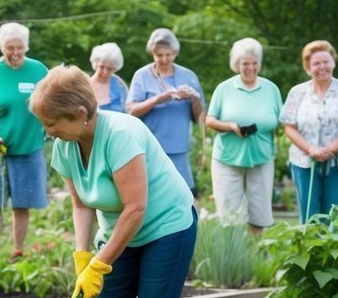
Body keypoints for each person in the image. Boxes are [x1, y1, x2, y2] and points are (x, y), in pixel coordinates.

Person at [32, 65, 198, 298]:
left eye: (52, 123)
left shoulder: (121, 135)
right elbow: (82, 205)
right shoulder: (64, 146)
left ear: (80, 113)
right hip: (118, 232)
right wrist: (83, 257)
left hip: (166, 228)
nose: (48, 130)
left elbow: (136, 208)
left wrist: (100, 264)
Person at [0, 22, 50, 256]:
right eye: (9, 48)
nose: (15, 53)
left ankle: (18, 251)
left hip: (29, 148)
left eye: (20, 48)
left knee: (22, 204)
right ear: (1, 46)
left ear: (27, 46)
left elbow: (52, 102)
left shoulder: (39, 71)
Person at [203, 38, 283, 234]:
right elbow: (209, 120)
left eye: (254, 63)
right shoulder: (224, 88)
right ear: (236, 64)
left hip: (262, 158)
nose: (250, 68)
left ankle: (255, 257)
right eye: (245, 63)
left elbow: (281, 121)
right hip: (228, 158)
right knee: (230, 216)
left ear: (259, 64)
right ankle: (234, 258)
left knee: (259, 214)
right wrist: (230, 126)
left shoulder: (271, 89)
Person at [281, 40, 338, 222]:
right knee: (309, 215)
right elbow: (289, 126)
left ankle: (333, 250)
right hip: (304, 161)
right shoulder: (297, 92)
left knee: (334, 215)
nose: (322, 67)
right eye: (316, 63)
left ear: (333, 62)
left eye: (326, 62)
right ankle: (310, 250)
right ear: (308, 67)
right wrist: (311, 149)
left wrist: (331, 149)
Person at [128, 28, 205, 193]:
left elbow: (199, 116)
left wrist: (194, 97)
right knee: (153, 194)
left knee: (182, 194)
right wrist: (157, 99)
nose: (164, 59)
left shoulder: (188, 76)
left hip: (179, 148)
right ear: (152, 54)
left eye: (168, 55)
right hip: (150, 148)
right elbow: (132, 111)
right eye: (159, 55)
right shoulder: (142, 75)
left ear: (175, 52)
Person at [89, 42, 128, 113]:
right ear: (96, 64)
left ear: (115, 69)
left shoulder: (120, 84)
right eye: (101, 67)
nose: (105, 72)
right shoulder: (87, 85)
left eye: (109, 69)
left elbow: (127, 109)